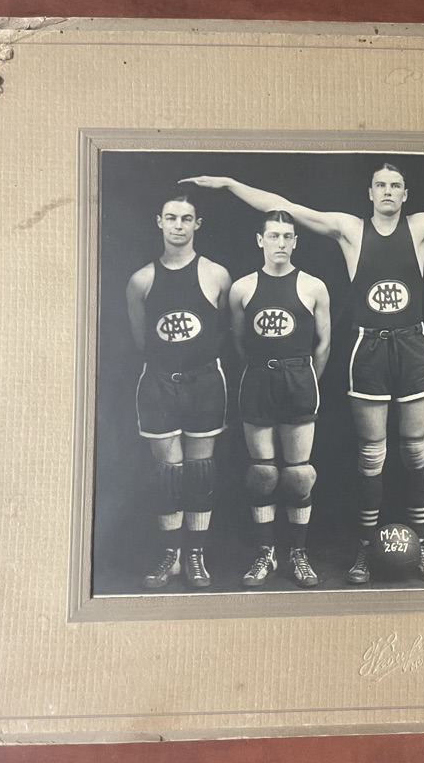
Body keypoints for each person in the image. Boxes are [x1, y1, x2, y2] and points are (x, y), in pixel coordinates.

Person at [182, 165, 424, 584]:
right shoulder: (350, 230)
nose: (388, 192)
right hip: (367, 348)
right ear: (370, 193)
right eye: (381, 186)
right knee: (372, 454)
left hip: (412, 346)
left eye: (395, 186)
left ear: (406, 194)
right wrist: (229, 184)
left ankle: (420, 545)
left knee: (415, 451)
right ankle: (366, 549)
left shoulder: (420, 227)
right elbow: (285, 207)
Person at [126, 188, 231, 589]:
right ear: (160, 222)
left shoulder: (217, 275)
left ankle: (195, 556)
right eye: (171, 217)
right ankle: (169, 555)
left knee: (200, 471)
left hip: (205, 382)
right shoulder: (141, 280)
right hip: (158, 383)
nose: (178, 226)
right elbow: (141, 340)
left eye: (186, 218)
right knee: (167, 473)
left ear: (197, 224)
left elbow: (223, 329)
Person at [228, 210, 331, 588]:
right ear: (261, 240)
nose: (281, 244)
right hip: (256, 378)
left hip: (299, 378)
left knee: (299, 474)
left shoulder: (313, 286)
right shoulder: (242, 288)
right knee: (262, 473)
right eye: (274, 236)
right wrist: (262, 371)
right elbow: (239, 342)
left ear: (296, 242)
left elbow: (324, 344)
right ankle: (266, 553)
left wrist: (303, 379)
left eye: (288, 237)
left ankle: (297, 553)